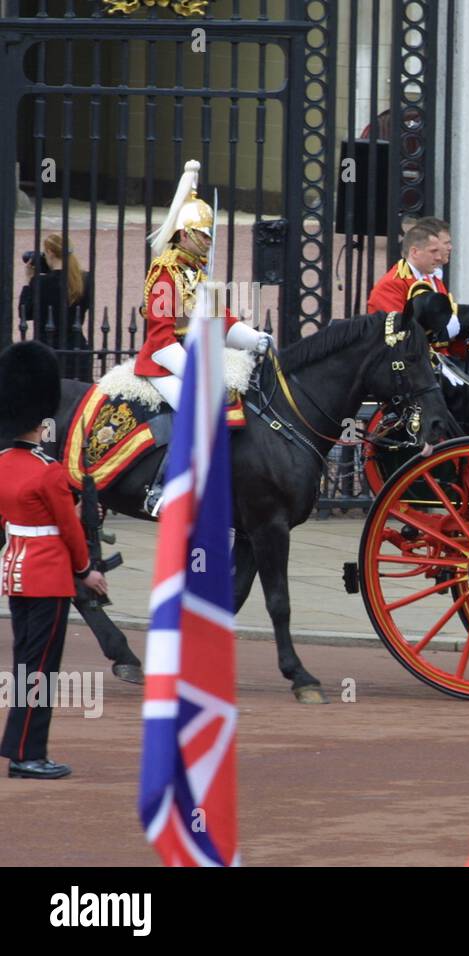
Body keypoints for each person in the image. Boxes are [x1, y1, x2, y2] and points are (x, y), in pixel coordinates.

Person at [136, 161, 270, 515]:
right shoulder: (165, 274)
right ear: (184, 234)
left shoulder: (195, 273)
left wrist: (257, 340)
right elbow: (161, 338)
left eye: (209, 234)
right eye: (203, 234)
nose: (209, 241)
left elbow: (222, 321)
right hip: (162, 363)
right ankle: (160, 488)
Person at [0, 342, 109, 780]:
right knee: (41, 669)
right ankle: (28, 753)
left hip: (16, 574)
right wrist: (87, 571)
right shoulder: (49, 471)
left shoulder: (4, 463)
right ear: (41, 421)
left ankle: (18, 743)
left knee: (27, 663)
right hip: (49, 577)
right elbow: (70, 530)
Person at [19, 234, 92, 382]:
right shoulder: (86, 279)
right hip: (76, 350)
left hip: (46, 351)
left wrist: (28, 281)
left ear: (51, 253)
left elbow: (25, 313)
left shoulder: (41, 282)